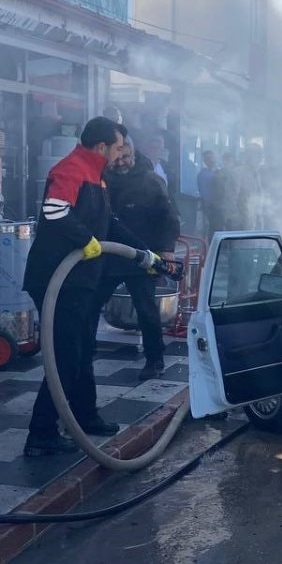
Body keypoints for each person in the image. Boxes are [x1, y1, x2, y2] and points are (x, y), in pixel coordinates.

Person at [22, 117, 159, 457]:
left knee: (83, 349)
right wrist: (86, 240)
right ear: (101, 147)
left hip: (80, 281)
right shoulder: (72, 168)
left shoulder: (97, 175)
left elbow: (108, 223)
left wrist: (143, 253)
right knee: (65, 356)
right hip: (58, 281)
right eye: (118, 146)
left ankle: (84, 415)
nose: (121, 153)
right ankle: (41, 434)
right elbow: (55, 210)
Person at [92, 137, 181, 381]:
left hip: (142, 255)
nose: (121, 163)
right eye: (117, 158)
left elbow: (170, 217)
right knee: (91, 304)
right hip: (108, 254)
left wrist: (166, 249)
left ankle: (155, 360)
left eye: (125, 157)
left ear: (133, 153)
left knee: (146, 310)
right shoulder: (104, 179)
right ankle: (83, 350)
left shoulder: (151, 181)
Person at [197, 150, 220, 235]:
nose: (211, 160)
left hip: (222, 206)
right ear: (205, 161)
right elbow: (204, 193)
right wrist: (207, 208)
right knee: (212, 229)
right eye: (208, 158)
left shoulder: (220, 172)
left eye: (212, 158)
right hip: (211, 207)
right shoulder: (202, 175)